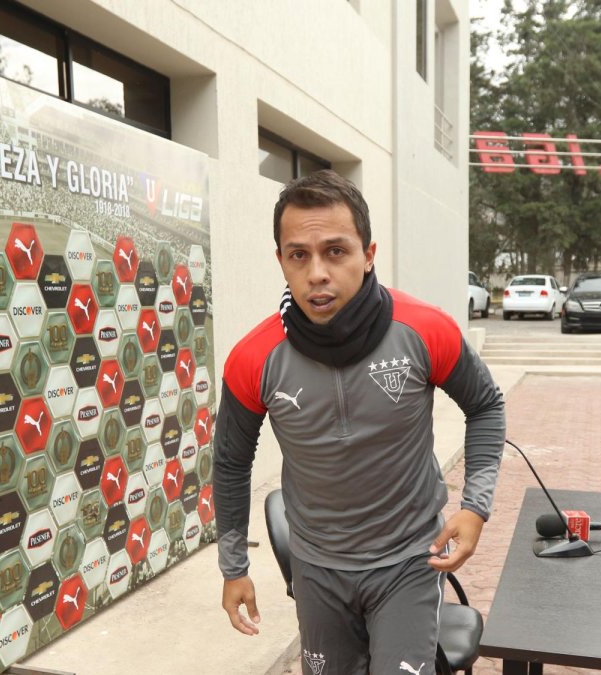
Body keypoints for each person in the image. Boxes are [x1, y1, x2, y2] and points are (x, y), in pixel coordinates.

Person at [214, 170, 504, 674]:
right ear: (280, 260)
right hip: (317, 570)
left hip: (410, 561)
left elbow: (485, 405)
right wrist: (233, 567)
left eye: (336, 251)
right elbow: (231, 463)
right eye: (298, 255)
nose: (317, 273)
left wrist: (475, 507)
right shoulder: (253, 358)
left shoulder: (425, 329)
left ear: (368, 255)